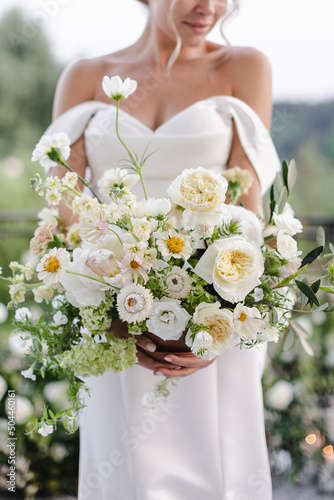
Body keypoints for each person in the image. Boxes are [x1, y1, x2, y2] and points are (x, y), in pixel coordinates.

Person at [46, 1, 281, 498]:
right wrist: (113, 312)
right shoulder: (86, 76)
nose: (210, 7)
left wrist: (222, 323)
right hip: (113, 314)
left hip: (213, 314)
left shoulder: (244, 68)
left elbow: (247, 203)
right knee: (124, 471)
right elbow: (64, 209)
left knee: (218, 466)